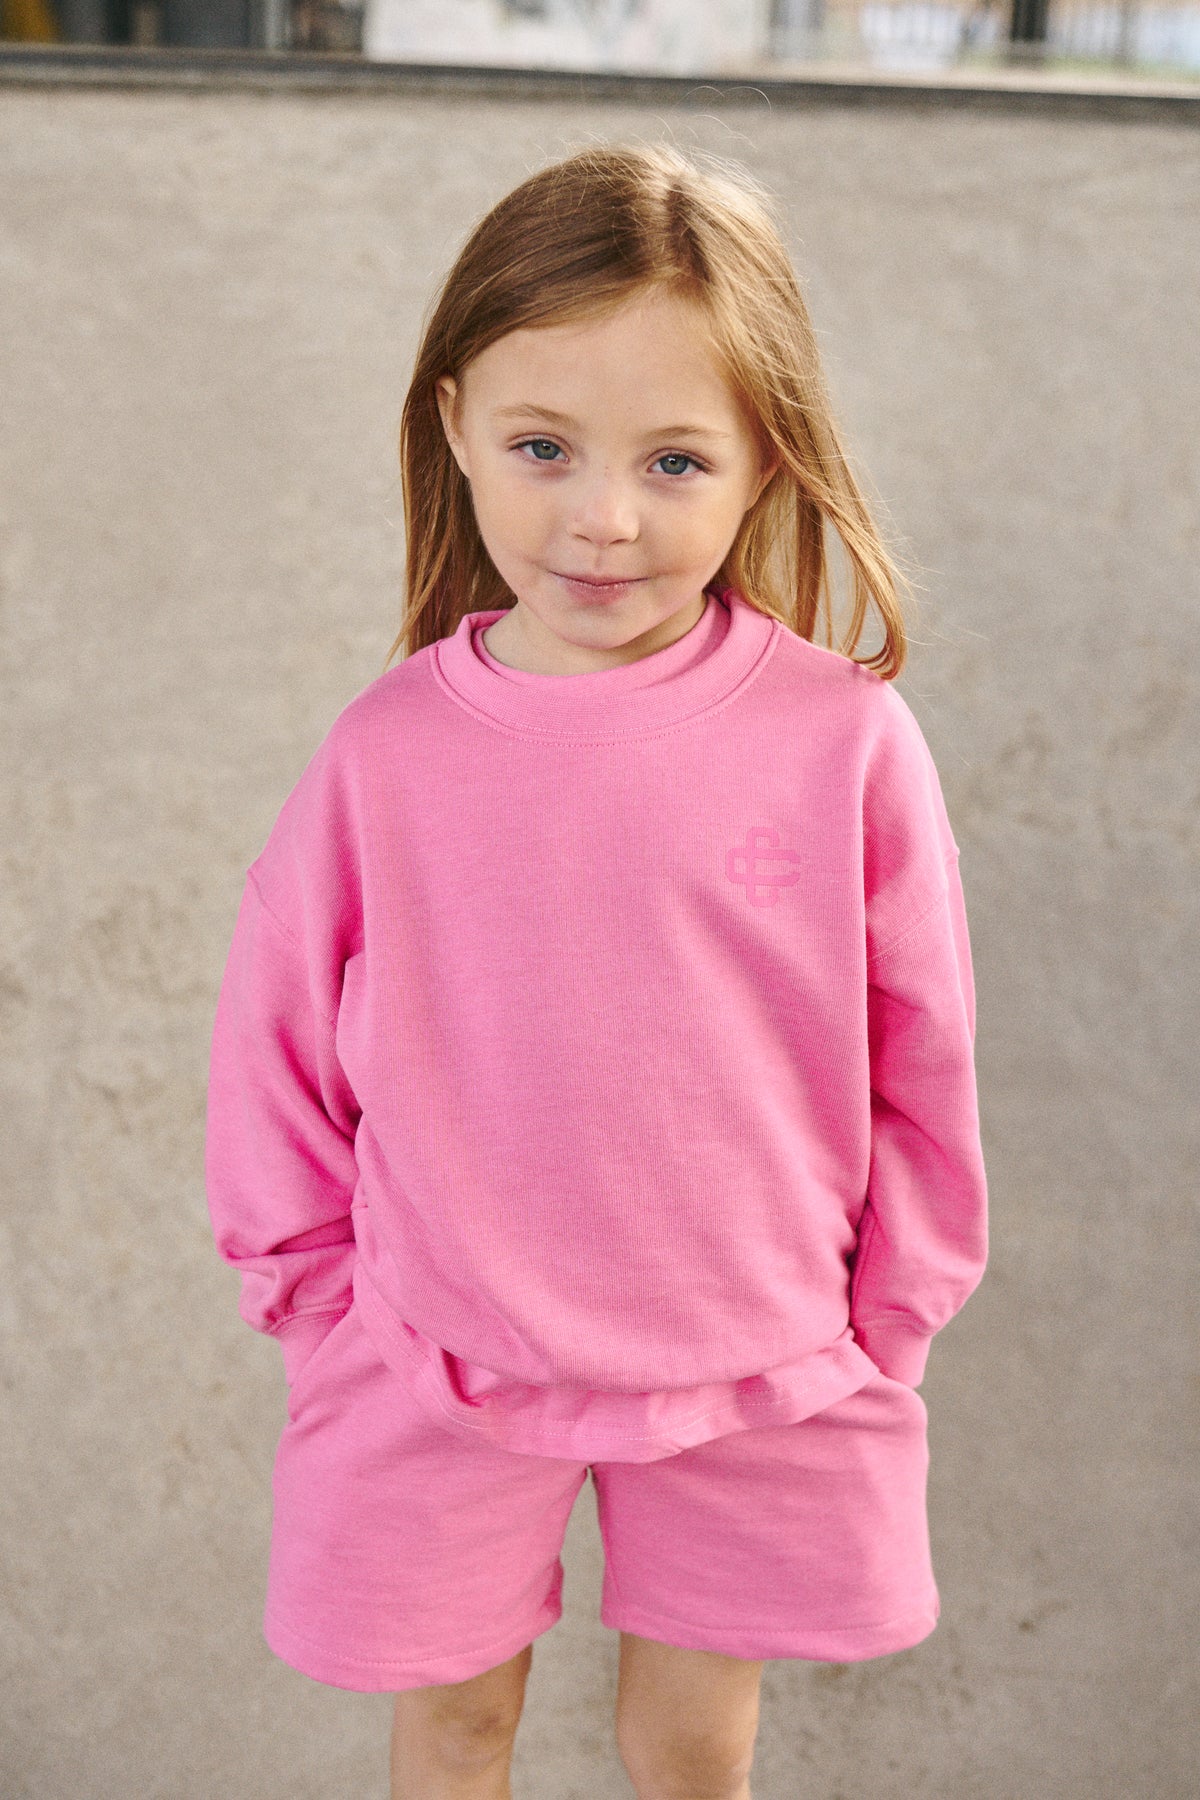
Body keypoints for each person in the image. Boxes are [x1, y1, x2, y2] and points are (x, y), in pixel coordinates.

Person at [204, 141, 989, 1800]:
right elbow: (274, 1054)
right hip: (430, 1360)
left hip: (761, 1362)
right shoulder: (387, 755)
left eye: (676, 459)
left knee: (691, 1754)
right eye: (544, 447)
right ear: (456, 425)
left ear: (766, 460)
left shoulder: (843, 742)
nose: (603, 517)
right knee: (455, 1729)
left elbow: (922, 1056)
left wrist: (885, 1327)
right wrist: (327, 1313)